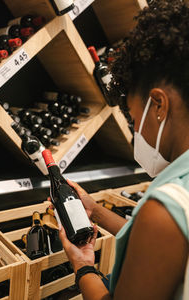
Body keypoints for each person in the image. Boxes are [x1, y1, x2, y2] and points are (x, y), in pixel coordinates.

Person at [58, 1, 189, 299]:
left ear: (158, 105)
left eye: (132, 116)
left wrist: (83, 268)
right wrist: (96, 212)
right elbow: (157, 245)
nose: (136, 131)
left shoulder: (167, 207)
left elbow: (160, 229)